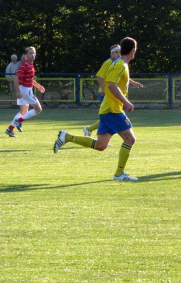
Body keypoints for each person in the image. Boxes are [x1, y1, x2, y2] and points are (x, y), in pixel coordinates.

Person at [54, 37, 141, 181]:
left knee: (101, 145)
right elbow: (111, 85)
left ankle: (67, 137)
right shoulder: (121, 64)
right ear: (133, 51)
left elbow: (107, 81)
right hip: (113, 109)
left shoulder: (119, 64)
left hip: (108, 108)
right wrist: (126, 102)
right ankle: (119, 174)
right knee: (130, 139)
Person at [83, 45, 143, 137]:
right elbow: (99, 76)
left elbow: (120, 77)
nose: (118, 54)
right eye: (116, 52)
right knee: (109, 115)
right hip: (105, 92)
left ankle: (100, 136)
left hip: (111, 92)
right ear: (111, 53)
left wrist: (133, 82)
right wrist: (103, 88)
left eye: (119, 52)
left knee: (109, 116)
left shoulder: (120, 63)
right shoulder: (109, 62)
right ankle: (90, 130)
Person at [5, 47, 46, 137]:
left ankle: (10, 129)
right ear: (26, 55)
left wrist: (38, 86)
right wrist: (18, 92)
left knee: (24, 111)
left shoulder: (30, 65)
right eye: (30, 53)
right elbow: (16, 77)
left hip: (26, 89)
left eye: (34, 53)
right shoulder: (25, 64)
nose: (32, 55)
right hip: (24, 90)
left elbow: (30, 79)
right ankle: (19, 121)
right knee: (38, 109)